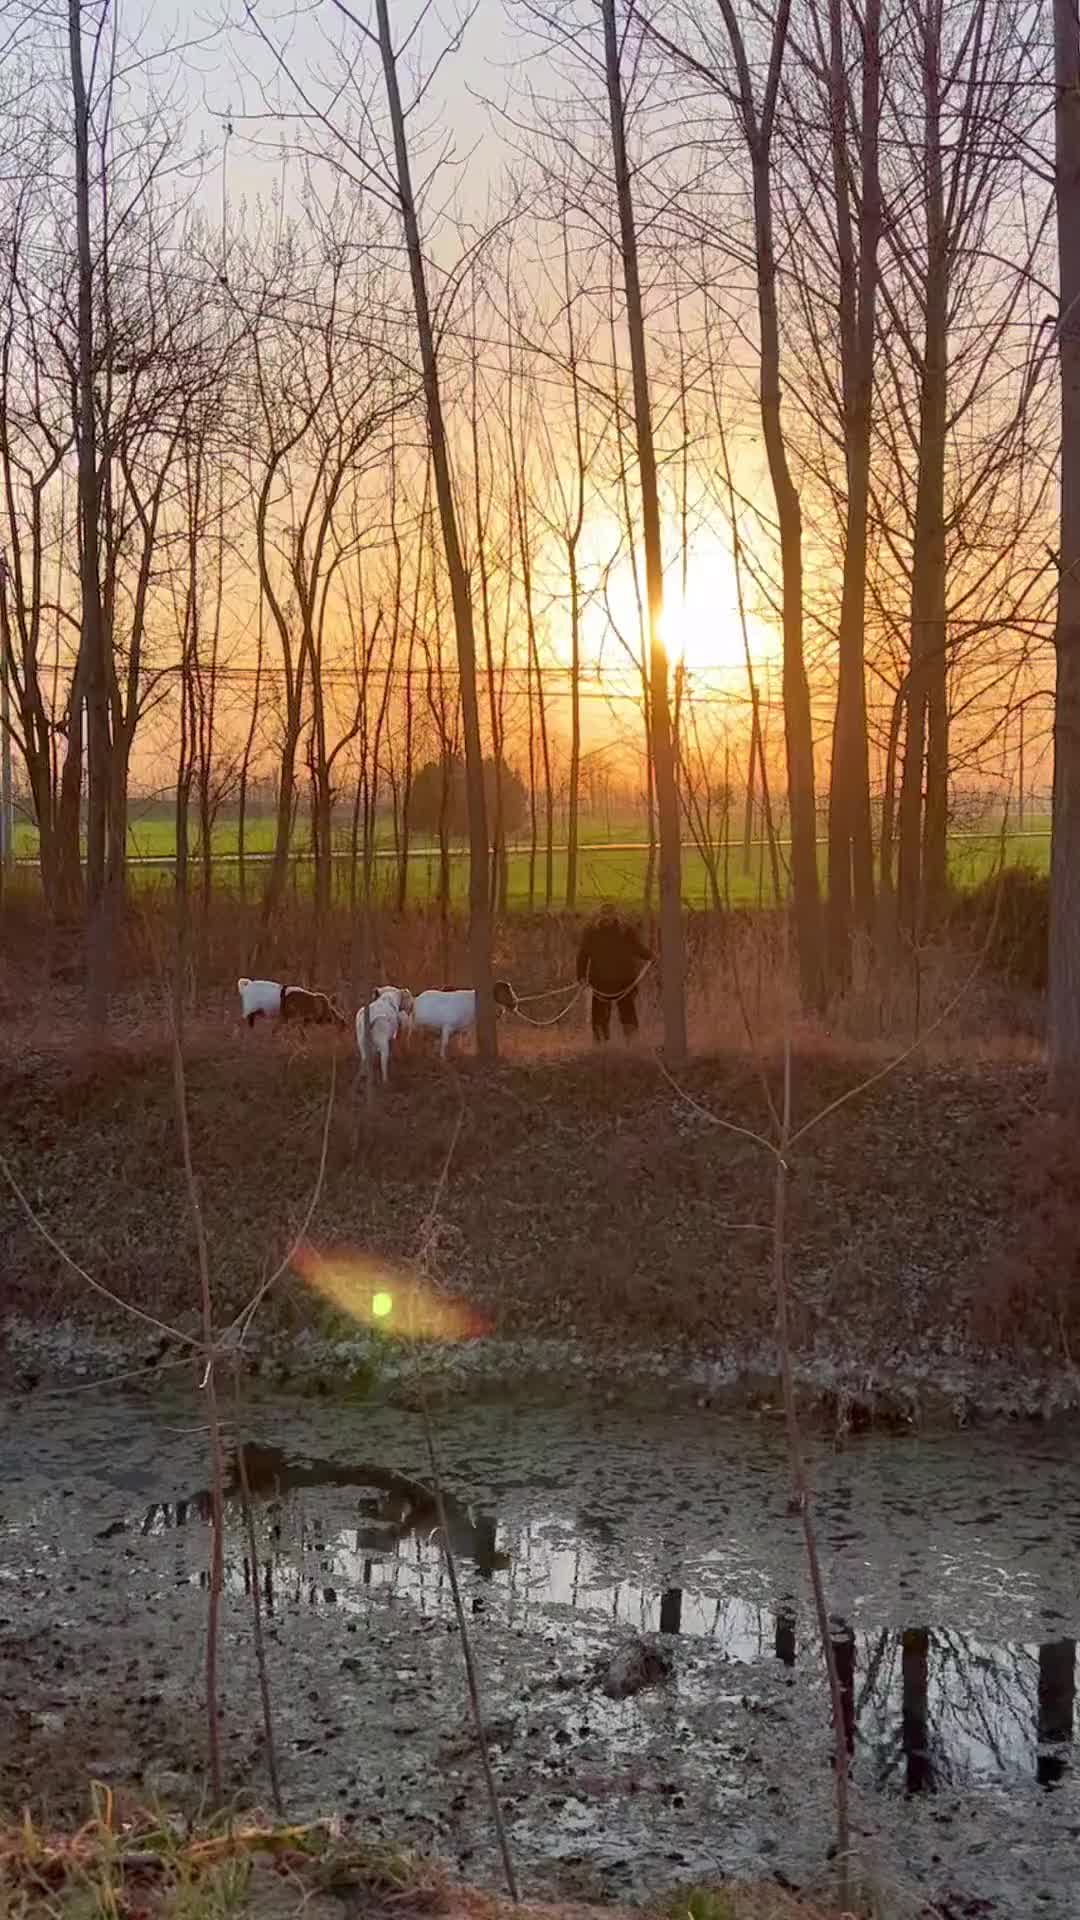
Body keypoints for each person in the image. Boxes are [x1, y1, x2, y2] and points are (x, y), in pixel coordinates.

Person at [576, 905, 652, 1044]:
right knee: (599, 1017)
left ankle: (633, 1044)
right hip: (600, 981)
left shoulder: (626, 931)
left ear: (614, 915)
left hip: (624, 981)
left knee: (628, 1013)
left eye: (609, 914)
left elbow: (637, 948)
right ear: (600, 915)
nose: (607, 917)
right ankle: (601, 1046)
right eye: (604, 914)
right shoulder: (592, 933)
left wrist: (651, 956)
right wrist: (581, 976)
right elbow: (583, 955)